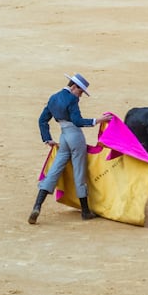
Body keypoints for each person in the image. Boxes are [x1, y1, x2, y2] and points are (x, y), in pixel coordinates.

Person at [31, 74, 110, 223]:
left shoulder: (53, 97)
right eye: (80, 92)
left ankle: (37, 206)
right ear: (74, 87)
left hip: (63, 136)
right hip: (75, 136)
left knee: (54, 170)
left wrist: (47, 139)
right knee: (79, 171)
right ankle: (85, 212)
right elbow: (78, 121)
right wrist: (98, 120)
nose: (80, 96)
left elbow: (42, 120)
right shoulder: (72, 99)